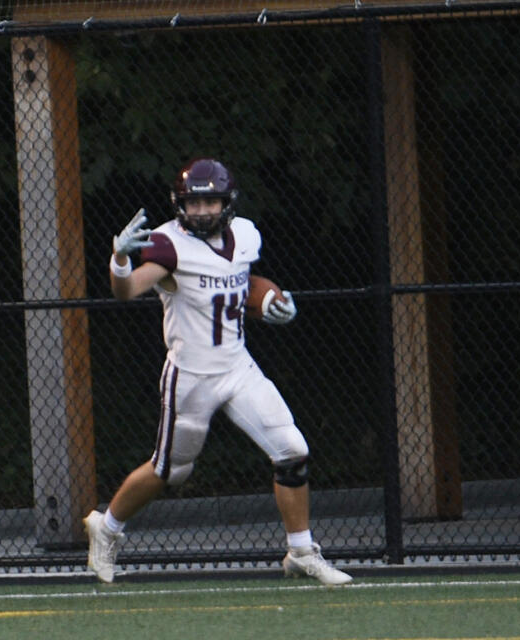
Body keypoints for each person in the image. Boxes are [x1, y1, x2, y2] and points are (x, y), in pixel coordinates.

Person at [84, 157, 352, 587]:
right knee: (170, 471)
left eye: (211, 202)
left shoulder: (244, 234)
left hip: (238, 366)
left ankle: (301, 550)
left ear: (227, 203)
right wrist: (119, 259)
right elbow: (127, 290)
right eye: (195, 203)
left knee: (292, 450)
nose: (203, 211)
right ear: (180, 205)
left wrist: (273, 303)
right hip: (190, 376)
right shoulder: (168, 244)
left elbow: (241, 282)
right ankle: (107, 526)